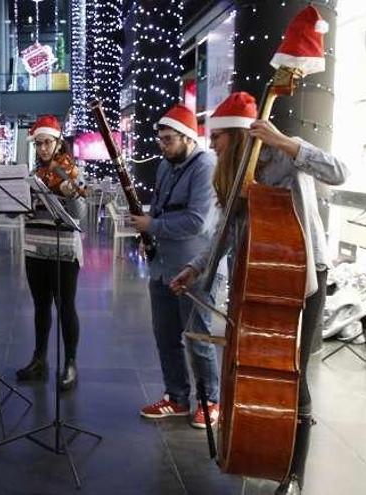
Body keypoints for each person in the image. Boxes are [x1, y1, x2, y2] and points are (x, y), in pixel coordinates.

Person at [171, 91, 348, 494]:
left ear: (237, 134)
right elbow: (225, 233)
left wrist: (288, 142)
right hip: (258, 275)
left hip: (302, 272)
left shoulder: (283, 158)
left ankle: (294, 472)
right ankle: (258, 444)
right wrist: (196, 269)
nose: (211, 144)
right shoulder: (233, 174)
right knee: (255, 364)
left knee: (293, 371)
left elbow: (340, 171)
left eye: (217, 137)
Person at [129, 104, 221, 429]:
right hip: (163, 265)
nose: (163, 146)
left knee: (199, 336)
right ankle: (177, 397)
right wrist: (147, 237)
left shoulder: (206, 166)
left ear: (187, 137)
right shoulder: (167, 165)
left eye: (169, 140)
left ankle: (210, 400)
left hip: (194, 267)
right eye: (161, 140)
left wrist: (151, 226)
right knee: (165, 335)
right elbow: (161, 207)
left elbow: (197, 222)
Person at [15, 115, 85, 390]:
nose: (43, 149)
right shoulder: (31, 176)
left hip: (63, 251)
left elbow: (78, 217)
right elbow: (14, 211)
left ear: (59, 143)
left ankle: (70, 363)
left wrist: (69, 195)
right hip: (34, 247)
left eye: (48, 143)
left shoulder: (72, 172)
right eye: (39, 144)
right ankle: (40, 360)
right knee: (40, 306)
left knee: (65, 306)